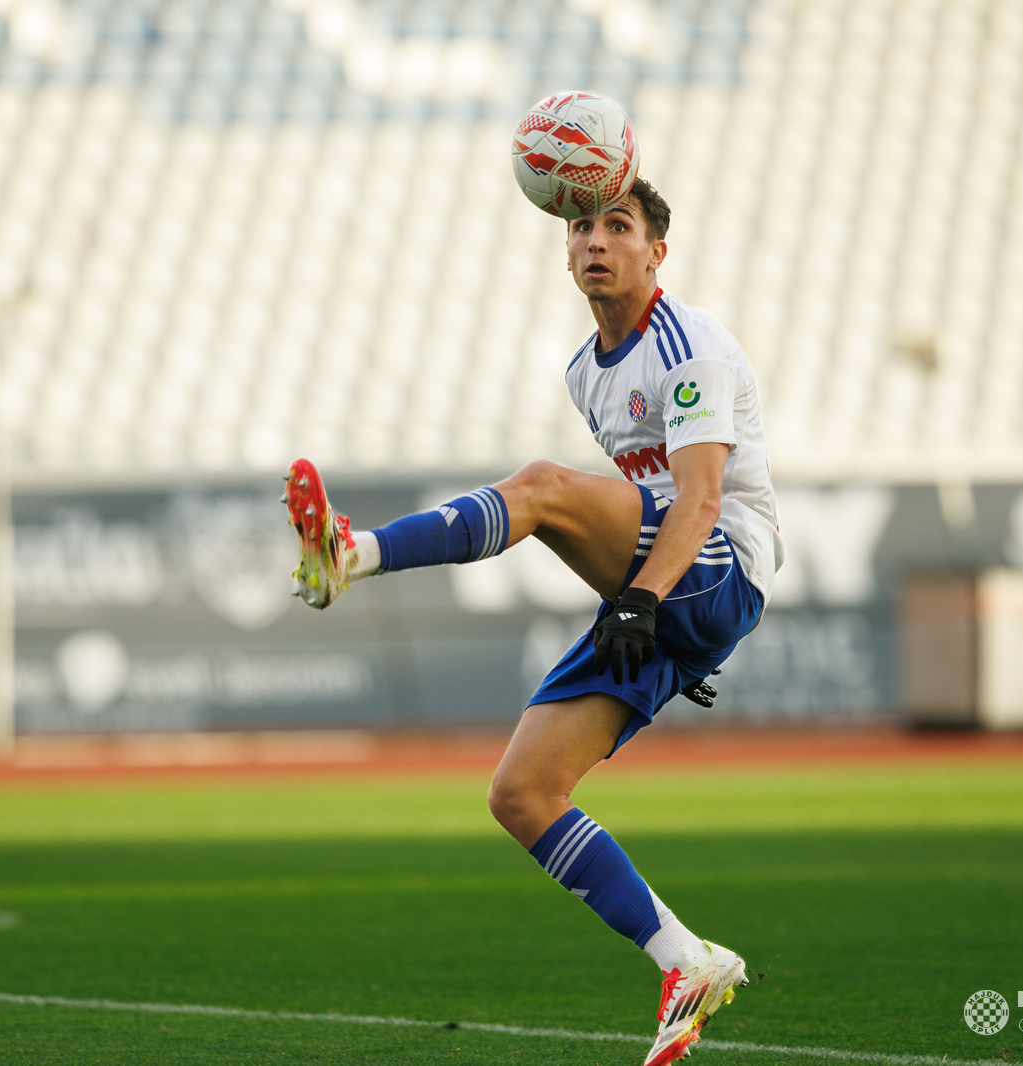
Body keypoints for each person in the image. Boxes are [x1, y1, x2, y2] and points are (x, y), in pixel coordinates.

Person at [283, 177, 782, 1065]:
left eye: (617, 226)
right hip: (655, 593)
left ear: (655, 253)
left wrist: (641, 601)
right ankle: (688, 960)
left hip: (714, 570)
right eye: (581, 226)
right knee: (520, 794)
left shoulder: (688, 343)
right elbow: (644, 505)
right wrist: (640, 607)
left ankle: (348, 556)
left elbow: (700, 504)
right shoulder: (585, 371)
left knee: (545, 488)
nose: (595, 240)